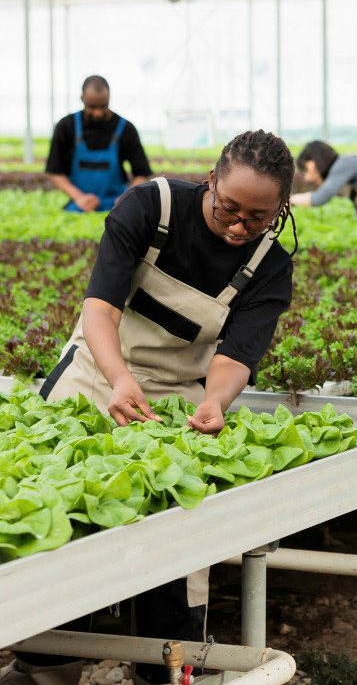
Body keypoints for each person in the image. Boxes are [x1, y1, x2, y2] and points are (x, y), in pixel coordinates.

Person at [7, 130, 297, 685]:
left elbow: (236, 356)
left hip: (178, 394)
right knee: (60, 516)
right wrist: (118, 378)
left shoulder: (270, 264)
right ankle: (45, 665)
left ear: (279, 209)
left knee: (180, 534)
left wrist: (215, 400)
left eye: (257, 217)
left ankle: (164, 670)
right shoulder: (150, 207)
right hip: (96, 374)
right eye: (228, 208)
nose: (238, 226)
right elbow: (99, 311)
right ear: (209, 180)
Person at [45, 75, 153, 212]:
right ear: (82, 98)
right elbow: (55, 172)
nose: (98, 113)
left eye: (103, 106)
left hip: (117, 205)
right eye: (91, 107)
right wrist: (79, 197)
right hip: (80, 205)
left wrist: (126, 199)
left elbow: (142, 173)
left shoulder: (126, 128)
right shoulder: (67, 126)